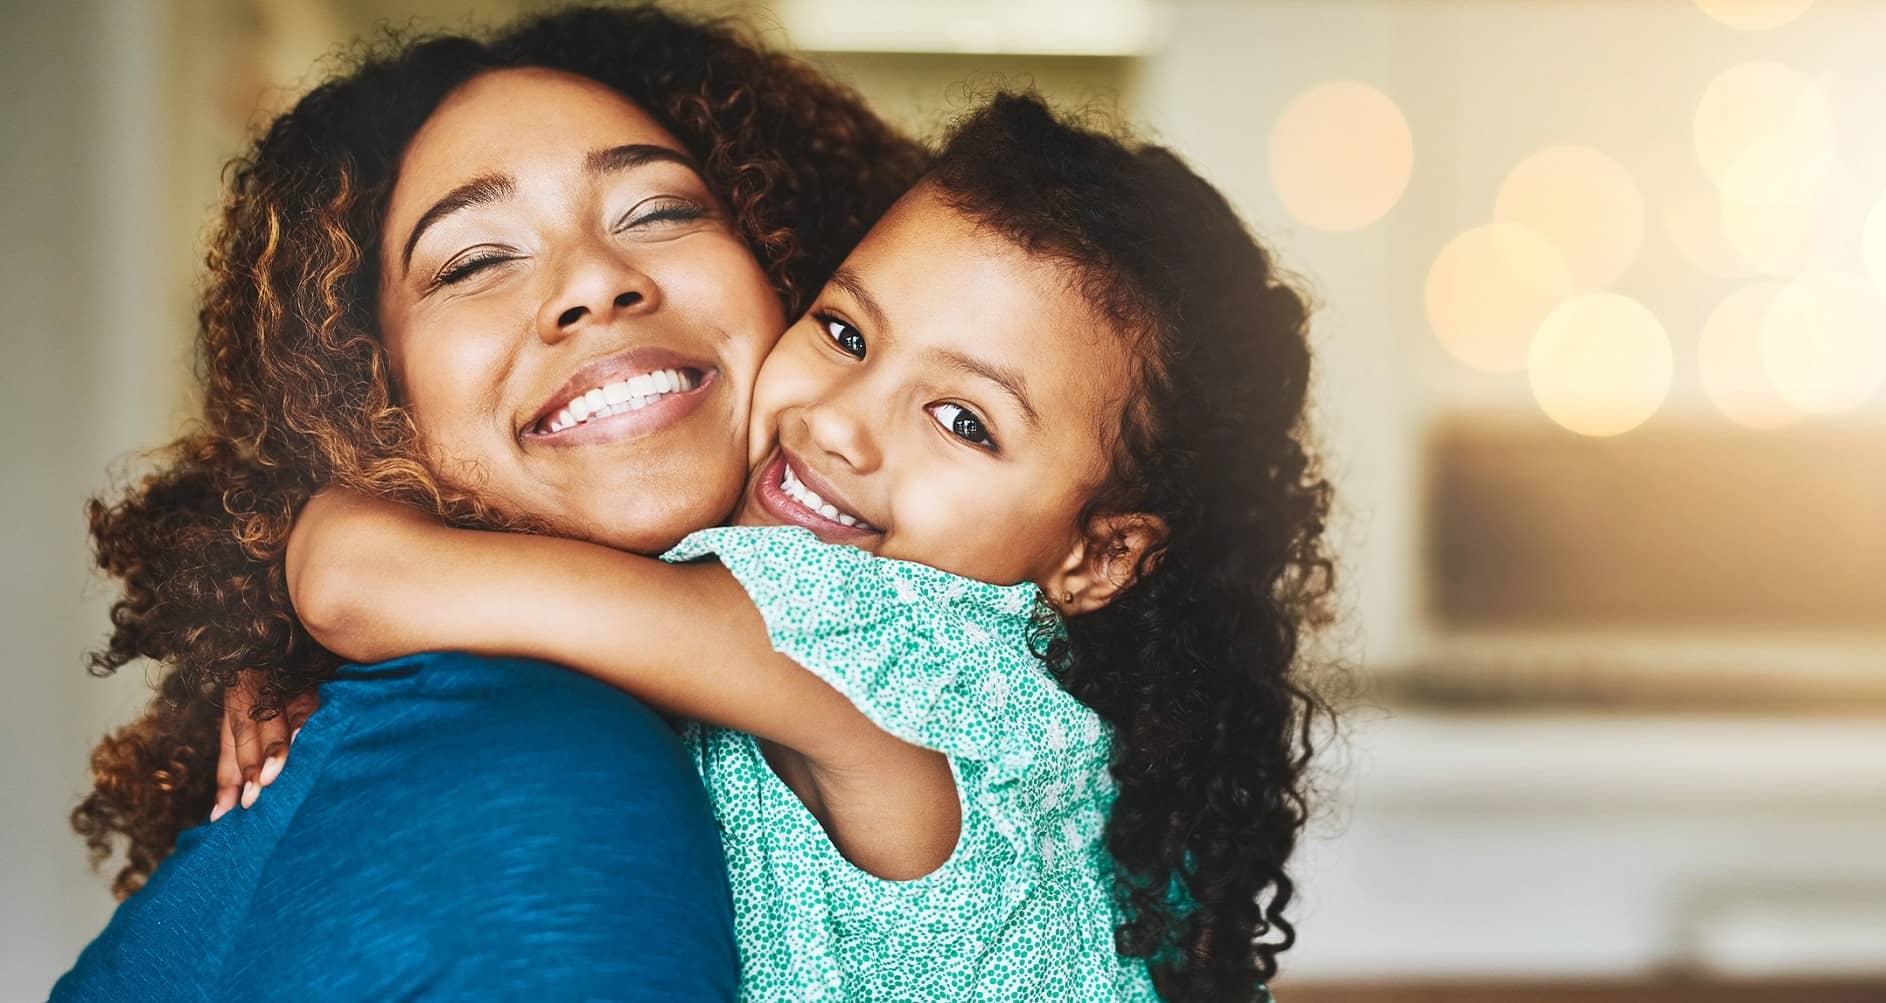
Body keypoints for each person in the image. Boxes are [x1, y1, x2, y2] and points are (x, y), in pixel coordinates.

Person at [249, 94, 1335, 1001]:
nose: (837, 422)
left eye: (963, 421)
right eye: (845, 332)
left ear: (1098, 559)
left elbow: (354, 582)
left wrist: (335, 508)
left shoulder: (910, 669)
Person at [54, 6, 923, 999]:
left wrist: (330, 537)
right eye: (473, 261)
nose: (595, 281)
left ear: (794, 277)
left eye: (662, 211)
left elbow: (350, 576)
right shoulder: (548, 766)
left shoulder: (901, 671)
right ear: (367, 398)